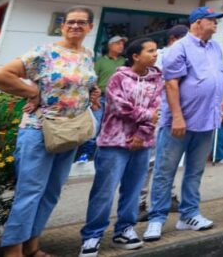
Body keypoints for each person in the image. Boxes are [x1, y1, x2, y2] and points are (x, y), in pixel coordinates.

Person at [0, 6, 99, 257]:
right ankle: (13, 251)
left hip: (69, 132)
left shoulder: (87, 54)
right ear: (62, 26)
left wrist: (93, 93)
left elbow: (83, 83)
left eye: (81, 22)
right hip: (39, 129)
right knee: (30, 193)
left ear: (90, 27)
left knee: (51, 193)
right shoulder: (44, 52)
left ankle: (32, 247)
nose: (75, 26)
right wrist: (32, 92)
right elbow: (0, 75)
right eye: (70, 22)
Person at [144, 7, 223, 241]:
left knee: (195, 171)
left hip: (206, 121)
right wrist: (178, 117)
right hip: (180, 122)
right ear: (198, 22)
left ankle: (189, 214)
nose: (216, 24)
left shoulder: (215, 48)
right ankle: (156, 218)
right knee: (164, 170)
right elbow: (171, 84)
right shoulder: (178, 48)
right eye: (212, 20)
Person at [79, 37, 163, 255]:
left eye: (156, 51)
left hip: (142, 143)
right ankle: (92, 235)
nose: (155, 54)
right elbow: (118, 106)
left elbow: (157, 109)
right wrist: (146, 116)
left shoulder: (156, 79)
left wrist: (141, 134)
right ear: (136, 56)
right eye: (150, 51)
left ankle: (125, 229)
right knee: (104, 191)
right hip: (113, 142)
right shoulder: (120, 77)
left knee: (133, 189)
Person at [139, 24, 189, 216]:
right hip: (154, 114)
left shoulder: (183, 57)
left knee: (170, 159)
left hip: (173, 115)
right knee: (149, 160)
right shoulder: (158, 57)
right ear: (173, 40)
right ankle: (139, 203)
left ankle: (168, 197)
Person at [77, 34, 126, 162]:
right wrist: (94, 99)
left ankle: (99, 156)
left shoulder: (124, 62)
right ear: (110, 46)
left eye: (122, 44)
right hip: (100, 97)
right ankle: (85, 155)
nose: (121, 46)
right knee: (95, 125)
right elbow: (92, 81)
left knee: (109, 127)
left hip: (117, 99)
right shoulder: (100, 62)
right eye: (118, 43)